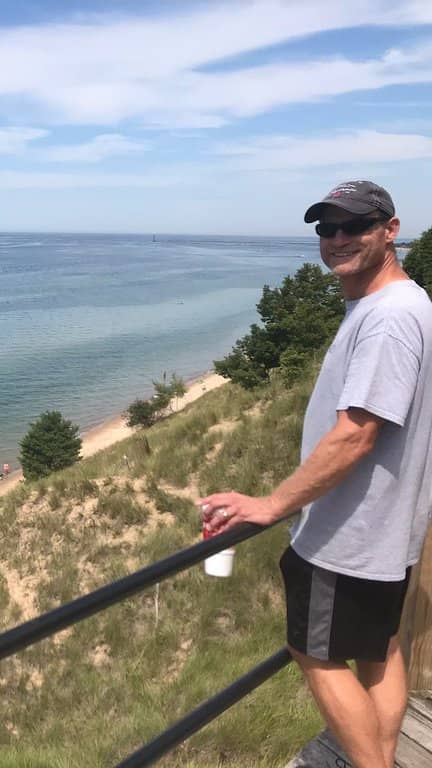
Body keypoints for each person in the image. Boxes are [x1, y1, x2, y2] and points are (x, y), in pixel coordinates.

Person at [198, 180, 432, 768]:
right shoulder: (407, 305)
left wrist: (271, 505)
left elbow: (356, 433)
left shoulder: (388, 318)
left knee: (313, 652)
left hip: (346, 534)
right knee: (380, 649)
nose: (337, 239)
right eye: (326, 229)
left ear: (390, 229)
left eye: (354, 225)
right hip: (389, 527)